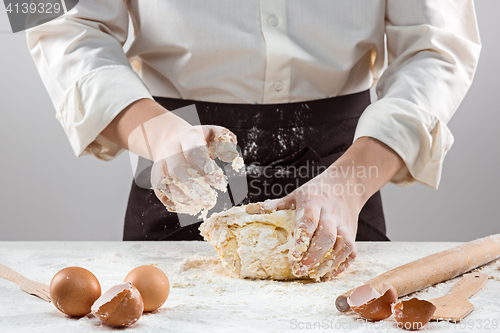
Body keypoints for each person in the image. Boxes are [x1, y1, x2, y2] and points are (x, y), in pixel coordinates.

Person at [27, 1, 481, 278]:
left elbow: (441, 46)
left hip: (344, 173)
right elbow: (48, 16)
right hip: (177, 162)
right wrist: (159, 132)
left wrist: (349, 183)